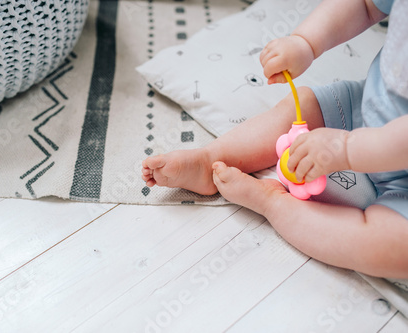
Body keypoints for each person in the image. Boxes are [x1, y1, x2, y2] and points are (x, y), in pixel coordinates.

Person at [141, 0, 408, 279]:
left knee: (387, 250)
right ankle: (210, 159)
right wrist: (306, 42)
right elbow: (364, 5)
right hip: (370, 108)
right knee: (302, 106)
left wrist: (346, 149)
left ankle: (273, 203)